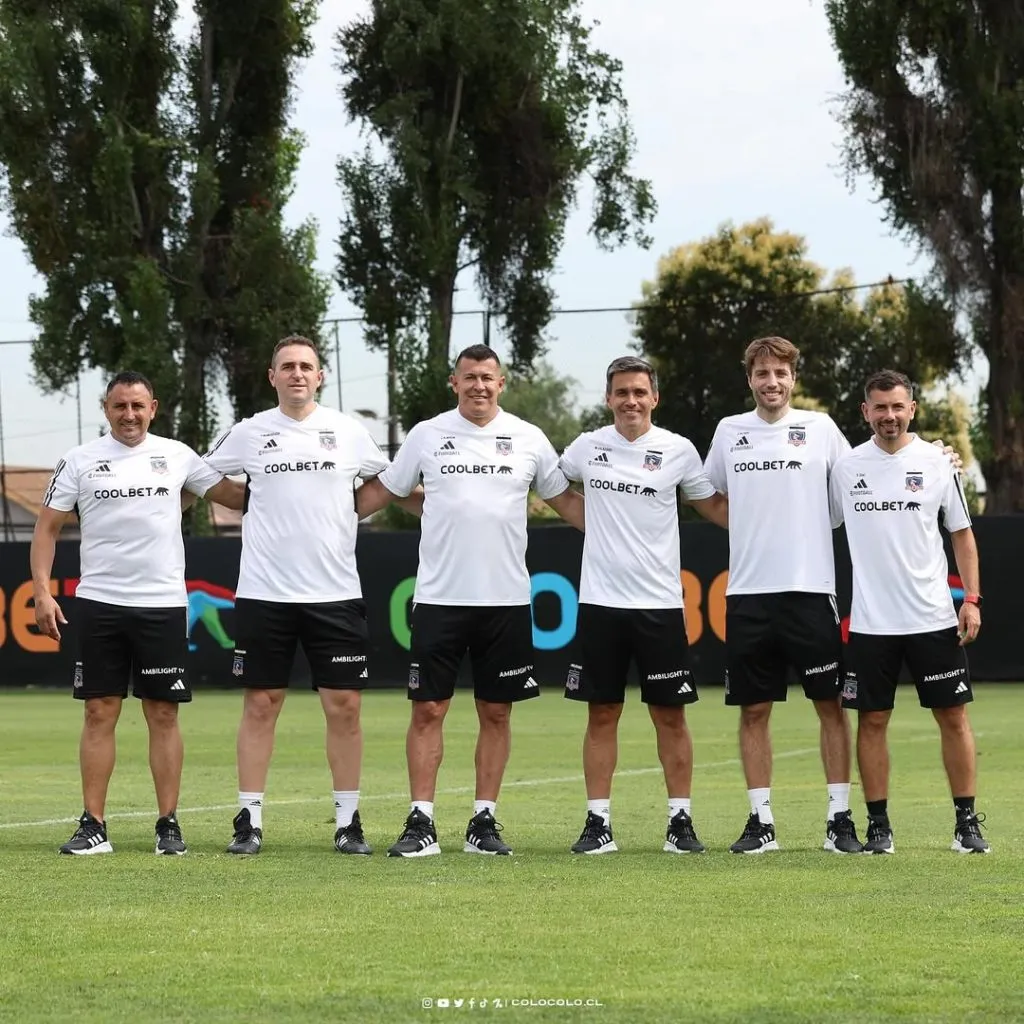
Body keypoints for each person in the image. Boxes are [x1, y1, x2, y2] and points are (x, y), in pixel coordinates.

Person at [357, 344, 584, 857]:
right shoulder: (426, 435)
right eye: (469, 377)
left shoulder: (528, 438)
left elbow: (564, 499)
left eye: (488, 377)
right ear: (453, 383)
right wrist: (325, 516)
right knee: (428, 710)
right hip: (439, 600)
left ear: (501, 384)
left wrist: (624, 532)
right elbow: (389, 490)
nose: (479, 385)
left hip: (504, 602)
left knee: (497, 713)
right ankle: (422, 823)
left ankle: (484, 821)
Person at [203, 335, 417, 856]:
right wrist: (246, 497)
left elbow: (385, 485)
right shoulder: (250, 431)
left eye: (307, 366)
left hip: (334, 593)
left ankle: (348, 823)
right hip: (263, 593)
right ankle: (248, 821)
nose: (297, 374)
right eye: (287, 367)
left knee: (343, 706)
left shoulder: (347, 431)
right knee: (261, 704)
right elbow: (205, 477)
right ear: (272, 376)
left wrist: (353, 510)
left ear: (320, 377)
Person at [31, 371, 244, 856]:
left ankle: (168, 824)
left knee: (163, 713)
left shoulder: (178, 456)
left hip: (162, 604)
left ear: (154, 407)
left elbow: (233, 496)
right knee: (98, 711)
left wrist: (277, 470)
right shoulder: (80, 461)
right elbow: (46, 530)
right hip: (101, 603)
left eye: (138, 406)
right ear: (106, 409)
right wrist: (43, 593)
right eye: (120, 406)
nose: (129, 414)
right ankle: (93, 824)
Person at [558, 356, 728, 855]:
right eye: (621, 392)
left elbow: (713, 505)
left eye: (639, 392)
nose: (630, 400)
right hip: (600, 604)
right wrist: (592, 523)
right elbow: (549, 485)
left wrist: (773, 521)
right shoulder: (587, 447)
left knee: (670, 716)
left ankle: (680, 822)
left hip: (658, 606)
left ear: (654, 397)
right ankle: (597, 822)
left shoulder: (678, 450)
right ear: (608, 398)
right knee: (602, 714)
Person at [829, 370, 988, 854]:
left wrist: (973, 601)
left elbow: (962, 534)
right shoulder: (846, 467)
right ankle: (879, 825)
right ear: (865, 412)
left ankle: (966, 823)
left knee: (953, 718)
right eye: (880, 407)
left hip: (933, 618)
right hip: (872, 623)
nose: (889, 416)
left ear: (912, 409)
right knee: (872, 722)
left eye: (898, 406)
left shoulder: (939, 463)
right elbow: (816, 522)